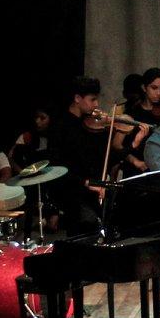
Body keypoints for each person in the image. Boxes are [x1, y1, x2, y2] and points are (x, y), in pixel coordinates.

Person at [46, 76, 110, 227]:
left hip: (92, 188)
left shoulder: (89, 125)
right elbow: (56, 166)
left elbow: (103, 158)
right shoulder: (60, 127)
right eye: (92, 99)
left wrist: (133, 143)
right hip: (71, 190)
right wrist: (84, 182)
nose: (97, 104)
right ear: (77, 98)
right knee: (88, 220)